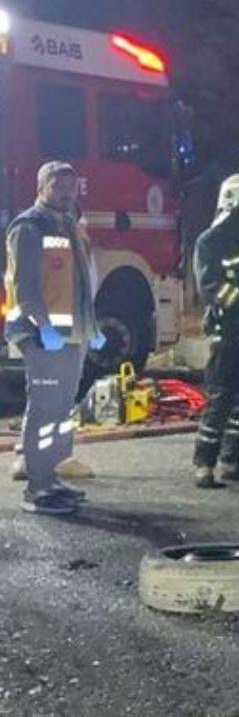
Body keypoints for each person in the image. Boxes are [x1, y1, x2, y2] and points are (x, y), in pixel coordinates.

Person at [3, 162, 104, 514]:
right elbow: (25, 287)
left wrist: (93, 329)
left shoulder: (71, 226)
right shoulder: (29, 226)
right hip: (41, 336)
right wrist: (43, 326)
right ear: (42, 186)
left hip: (70, 336)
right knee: (44, 408)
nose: (67, 193)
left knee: (61, 411)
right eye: (59, 186)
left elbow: (79, 285)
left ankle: (53, 476)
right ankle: (38, 487)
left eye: (71, 187)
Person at [191, 174, 239, 488]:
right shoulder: (210, 241)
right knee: (221, 400)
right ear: (232, 203)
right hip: (229, 334)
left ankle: (231, 460)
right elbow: (210, 287)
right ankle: (204, 464)